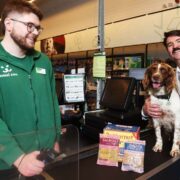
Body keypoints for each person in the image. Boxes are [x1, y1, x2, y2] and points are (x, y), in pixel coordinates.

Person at [0, 0, 61, 177]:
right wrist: (17, 158)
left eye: (38, 28)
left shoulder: (43, 61)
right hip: (7, 164)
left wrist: (56, 137)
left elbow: (52, 102)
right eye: (29, 26)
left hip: (44, 158)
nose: (35, 32)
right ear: (9, 24)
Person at [142, 30, 180, 119]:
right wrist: (145, 110)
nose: (175, 46)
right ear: (168, 50)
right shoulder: (169, 78)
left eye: (179, 41)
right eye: (170, 44)